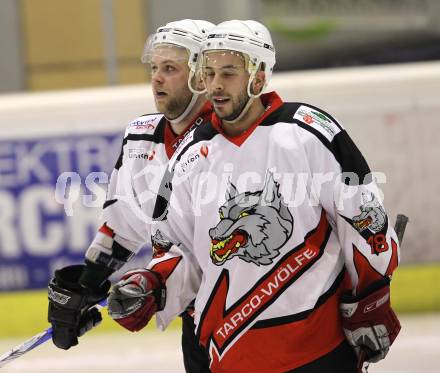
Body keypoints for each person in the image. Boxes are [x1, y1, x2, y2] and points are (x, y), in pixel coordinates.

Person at [108, 20, 401, 373]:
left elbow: (363, 219)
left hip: (319, 347)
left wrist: (371, 296)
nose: (215, 85)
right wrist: (152, 284)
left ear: (258, 77)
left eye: (228, 73)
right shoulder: (188, 157)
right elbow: (176, 249)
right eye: (209, 72)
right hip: (232, 353)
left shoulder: (308, 134)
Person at [47, 19, 214, 373]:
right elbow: (123, 225)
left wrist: (156, 283)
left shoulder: (229, 139)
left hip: (253, 315)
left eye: (170, 68)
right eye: (154, 68)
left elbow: (221, 247)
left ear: (202, 76)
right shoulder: (142, 136)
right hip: (197, 321)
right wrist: (86, 286)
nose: (156, 78)